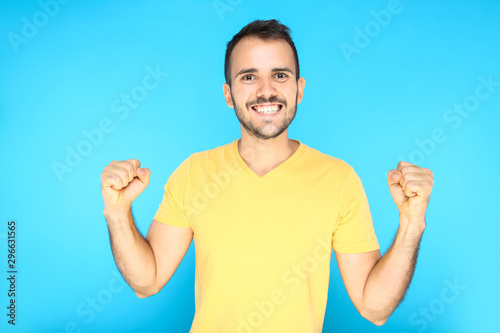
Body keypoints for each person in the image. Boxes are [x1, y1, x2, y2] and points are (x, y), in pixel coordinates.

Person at [100, 19, 434, 332]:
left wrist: (411, 224)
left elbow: (374, 308)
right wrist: (117, 213)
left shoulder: (339, 179)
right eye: (248, 77)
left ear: (299, 89)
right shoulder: (193, 173)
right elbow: (147, 281)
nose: (266, 90)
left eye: (280, 75)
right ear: (229, 94)